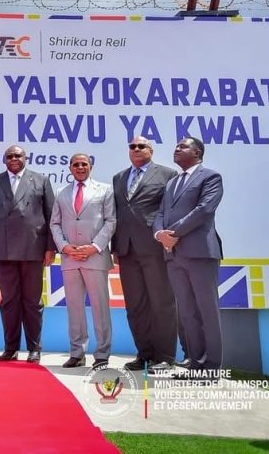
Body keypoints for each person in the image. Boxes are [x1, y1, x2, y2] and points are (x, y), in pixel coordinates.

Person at [0, 145, 55, 363]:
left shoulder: (41, 180)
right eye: (9, 156)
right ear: (4, 160)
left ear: (25, 158)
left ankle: (34, 348)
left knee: (32, 301)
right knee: (9, 301)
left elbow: (51, 216)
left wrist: (50, 247)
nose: (13, 159)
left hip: (33, 248)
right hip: (3, 249)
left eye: (17, 155)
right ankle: (10, 348)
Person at [154, 137, 224, 378]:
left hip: (200, 253)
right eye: (177, 145)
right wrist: (159, 234)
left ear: (197, 152)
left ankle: (211, 368)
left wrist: (173, 234)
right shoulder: (172, 182)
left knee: (207, 311)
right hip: (173, 255)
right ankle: (195, 363)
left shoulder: (210, 177)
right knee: (186, 312)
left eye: (183, 146)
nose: (177, 148)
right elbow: (161, 213)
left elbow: (204, 210)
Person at [112, 137, 180, 373]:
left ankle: (165, 357)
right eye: (132, 146)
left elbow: (172, 210)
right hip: (127, 250)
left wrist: (170, 239)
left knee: (162, 303)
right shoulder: (119, 177)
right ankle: (144, 354)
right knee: (135, 306)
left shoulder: (168, 175)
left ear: (151, 150)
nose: (136, 149)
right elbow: (118, 213)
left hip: (155, 248)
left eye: (142, 146)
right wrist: (115, 247)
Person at [50, 154, 115, 369]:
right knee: (74, 308)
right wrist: (65, 247)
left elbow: (111, 221)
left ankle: (102, 354)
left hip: (95, 257)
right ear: (70, 168)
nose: (80, 167)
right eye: (76, 164)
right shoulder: (61, 192)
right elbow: (55, 224)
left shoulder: (105, 190)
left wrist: (94, 247)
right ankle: (77, 353)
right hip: (70, 258)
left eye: (84, 164)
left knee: (100, 308)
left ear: (90, 167)